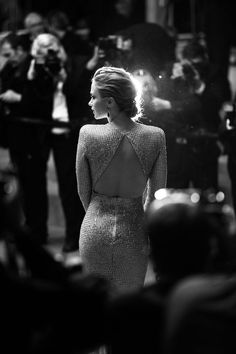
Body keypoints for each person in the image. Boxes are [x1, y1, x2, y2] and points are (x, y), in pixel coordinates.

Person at [76, 66, 167, 294]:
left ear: (109, 102)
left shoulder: (87, 133)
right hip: (134, 230)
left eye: (93, 96)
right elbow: (156, 195)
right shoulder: (155, 136)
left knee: (96, 303)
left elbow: (83, 191)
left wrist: (97, 213)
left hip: (94, 227)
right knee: (129, 306)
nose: (89, 102)